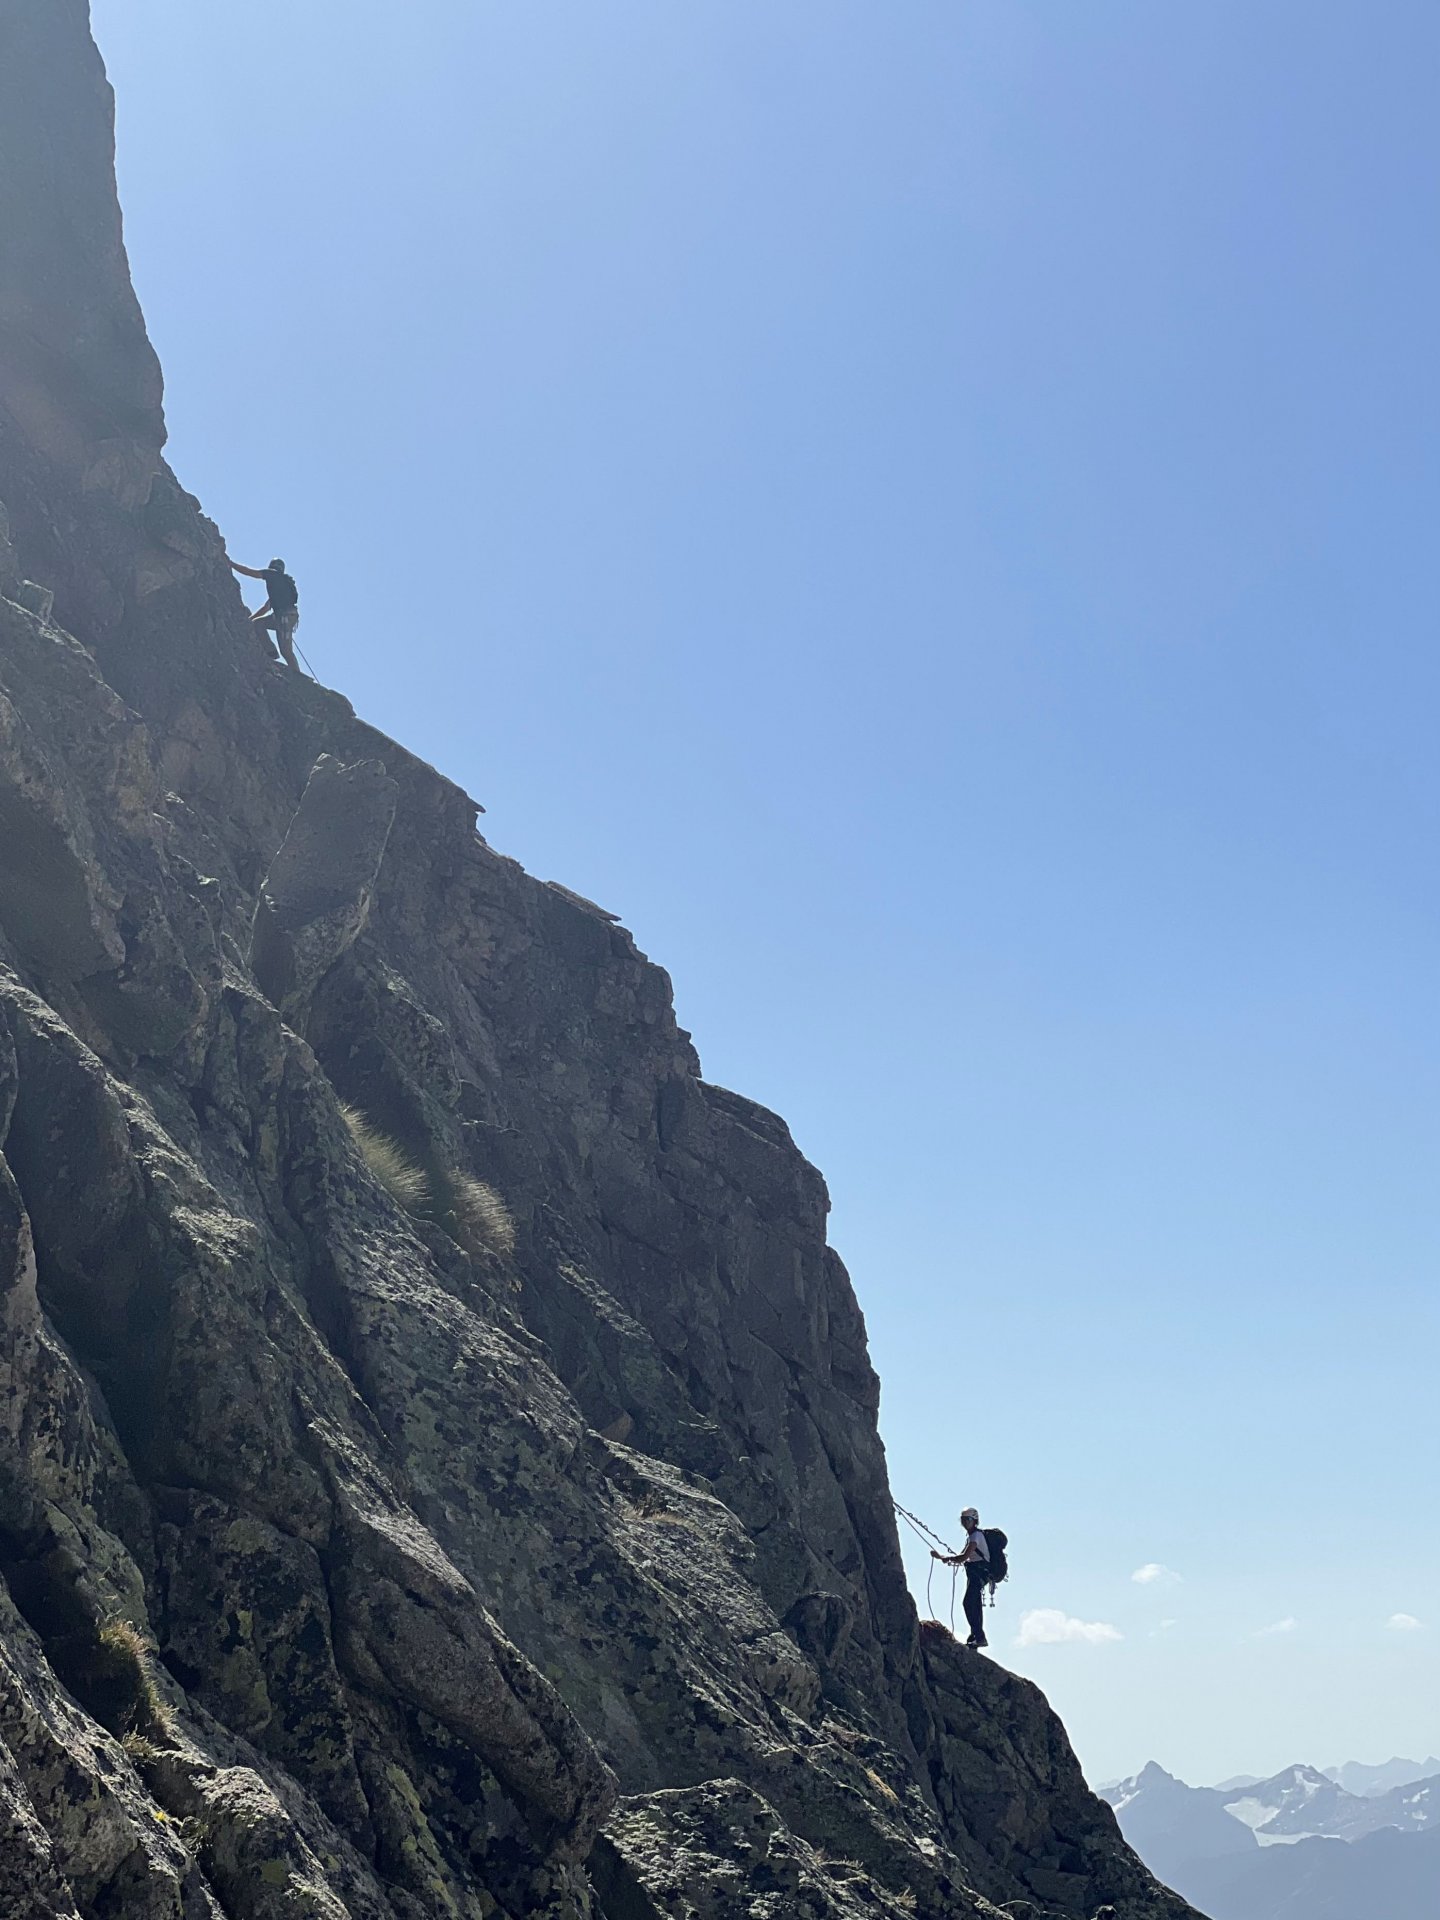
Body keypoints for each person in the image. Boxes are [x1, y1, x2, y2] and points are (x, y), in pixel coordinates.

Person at [227, 554, 301, 670]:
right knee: (258, 624)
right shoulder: (282, 585)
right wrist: (251, 619)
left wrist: (231, 564)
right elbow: (266, 608)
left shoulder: (272, 574)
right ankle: (271, 652)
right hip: (285, 616)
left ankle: (297, 677)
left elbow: (250, 572)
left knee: (286, 651)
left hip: (284, 616)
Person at [933, 1507, 990, 1648]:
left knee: (968, 1603)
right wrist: (948, 1558)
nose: (965, 1522)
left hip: (979, 1573)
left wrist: (946, 1558)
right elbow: (965, 1557)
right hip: (978, 1573)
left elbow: (964, 1556)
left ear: (974, 1521)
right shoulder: (973, 1536)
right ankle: (975, 1635)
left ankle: (979, 1636)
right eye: (963, 1520)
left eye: (968, 1520)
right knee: (974, 1603)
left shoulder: (975, 1536)